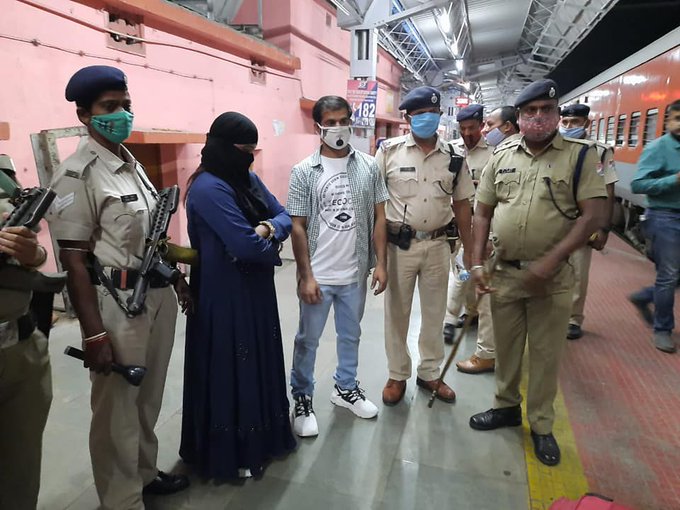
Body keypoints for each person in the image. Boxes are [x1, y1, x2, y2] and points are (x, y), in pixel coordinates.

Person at [47, 65, 191, 509]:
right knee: (116, 411)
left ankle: (145, 476)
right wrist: (93, 333)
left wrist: (179, 282)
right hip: (116, 303)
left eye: (126, 105)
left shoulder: (131, 165)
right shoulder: (78, 173)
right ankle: (120, 498)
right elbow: (73, 260)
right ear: (84, 114)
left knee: (148, 397)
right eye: (110, 107)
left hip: (156, 297)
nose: (122, 114)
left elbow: (152, 237)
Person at [469, 79, 607, 467]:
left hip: (555, 278)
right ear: (520, 116)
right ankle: (506, 407)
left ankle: (542, 425)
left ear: (557, 114)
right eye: (530, 111)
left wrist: (551, 260)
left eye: (546, 110)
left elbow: (593, 215)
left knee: (546, 355)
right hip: (507, 273)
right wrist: (477, 262)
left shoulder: (580, 156)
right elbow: (483, 211)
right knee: (507, 349)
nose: (538, 117)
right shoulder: (502, 154)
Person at [180, 112, 296, 478]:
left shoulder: (246, 178)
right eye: (244, 150)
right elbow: (245, 247)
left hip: (255, 291)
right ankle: (231, 452)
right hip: (223, 294)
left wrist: (265, 227)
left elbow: (285, 216)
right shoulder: (208, 188)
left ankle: (260, 440)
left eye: (253, 150)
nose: (249, 157)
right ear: (223, 148)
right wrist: (267, 238)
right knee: (231, 367)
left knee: (257, 361)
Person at [286, 96, 388, 437]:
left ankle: (345, 388)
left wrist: (381, 265)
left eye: (342, 120)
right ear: (318, 127)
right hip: (319, 274)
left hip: (354, 273)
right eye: (329, 123)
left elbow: (379, 218)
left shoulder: (369, 166)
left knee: (351, 335)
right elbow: (297, 225)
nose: (337, 128)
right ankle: (302, 397)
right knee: (308, 340)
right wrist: (305, 276)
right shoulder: (303, 171)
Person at [377, 86, 474, 406]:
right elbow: (376, 206)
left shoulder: (455, 157)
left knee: (434, 314)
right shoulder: (389, 152)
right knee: (397, 313)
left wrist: (470, 252)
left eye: (431, 114)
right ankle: (397, 374)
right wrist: (375, 257)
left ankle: (430, 372)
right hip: (398, 247)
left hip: (436, 245)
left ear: (439, 116)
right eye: (419, 115)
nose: (426, 119)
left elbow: (462, 205)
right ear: (408, 118)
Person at [0, 157, 52, 510]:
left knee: (22, 470)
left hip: (22, 347)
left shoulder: (3, 177)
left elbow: (32, 255)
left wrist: (33, 253)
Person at [454, 106, 521, 375]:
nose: (481, 132)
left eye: (487, 125)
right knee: (468, 282)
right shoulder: (456, 149)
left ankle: (487, 354)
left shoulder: (503, 154)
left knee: (487, 295)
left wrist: (487, 240)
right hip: (465, 230)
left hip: (488, 234)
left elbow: (496, 203)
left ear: (508, 126)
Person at [559, 103, 619, 340]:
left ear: (587, 123)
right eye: (565, 122)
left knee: (578, 272)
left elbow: (609, 189)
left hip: (583, 222)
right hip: (554, 220)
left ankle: (573, 319)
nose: (569, 127)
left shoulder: (601, 151)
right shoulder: (556, 147)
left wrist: (604, 228)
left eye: (574, 122)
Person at [629, 99, 680, 353]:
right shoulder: (657, 148)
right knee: (668, 276)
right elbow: (638, 185)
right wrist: (674, 180)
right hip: (665, 216)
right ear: (668, 120)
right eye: (678, 118)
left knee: (673, 277)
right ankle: (662, 329)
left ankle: (644, 296)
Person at [444, 104, 493, 339]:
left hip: (481, 223)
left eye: (471, 128)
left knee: (472, 269)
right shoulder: (451, 150)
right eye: (462, 128)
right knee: (461, 270)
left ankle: (459, 316)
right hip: (455, 222)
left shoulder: (494, 153)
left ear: (482, 126)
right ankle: (459, 315)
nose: (466, 133)